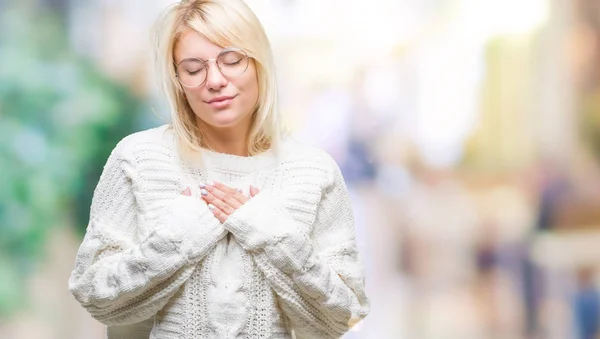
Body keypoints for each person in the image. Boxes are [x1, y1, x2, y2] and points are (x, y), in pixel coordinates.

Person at [67, 0, 370, 338]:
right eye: (194, 69)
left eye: (232, 60)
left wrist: (270, 235)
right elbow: (95, 297)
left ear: (259, 63)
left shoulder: (313, 171)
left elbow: (344, 316)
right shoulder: (138, 159)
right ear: (178, 79)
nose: (214, 80)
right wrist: (181, 235)